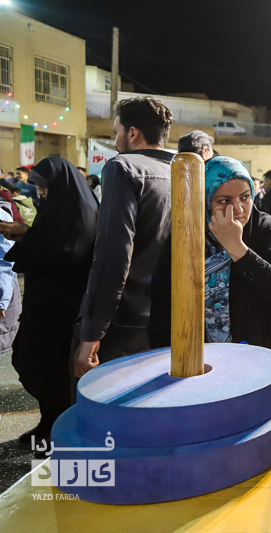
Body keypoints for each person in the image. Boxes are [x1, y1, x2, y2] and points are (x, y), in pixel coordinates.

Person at [149, 157, 271, 387]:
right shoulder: (185, 237)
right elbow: (163, 307)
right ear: (206, 202)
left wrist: (237, 248)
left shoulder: (266, 228)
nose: (238, 209)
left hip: (267, 356)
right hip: (204, 367)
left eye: (245, 197)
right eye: (224, 201)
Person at [73, 96, 174, 379]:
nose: (116, 142)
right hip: (170, 314)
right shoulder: (182, 171)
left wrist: (92, 331)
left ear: (133, 133)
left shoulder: (123, 167)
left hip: (126, 320)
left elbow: (113, 256)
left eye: (116, 132)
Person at [1, 157, 97, 452]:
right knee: (34, 363)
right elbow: (49, 242)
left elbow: (65, 251)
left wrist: (26, 236)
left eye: (44, 188)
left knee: (52, 369)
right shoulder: (61, 207)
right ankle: (49, 423)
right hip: (45, 307)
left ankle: (58, 430)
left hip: (62, 311)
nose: (41, 193)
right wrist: (25, 235)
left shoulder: (81, 212)